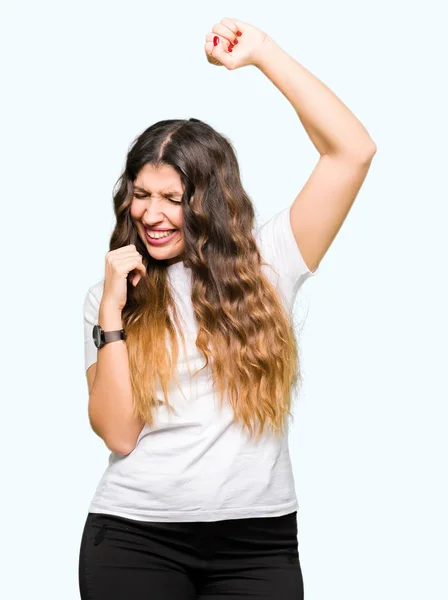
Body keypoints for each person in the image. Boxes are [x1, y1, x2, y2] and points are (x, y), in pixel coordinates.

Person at [78, 16, 376, 600]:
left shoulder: (269, 262)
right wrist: (112, 313)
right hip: (136, 538)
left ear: (210, 202)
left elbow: (352, 152)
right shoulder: (113, 292)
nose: (152, 214)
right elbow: (118, 434)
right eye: (141, 195)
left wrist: (264, 53)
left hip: (257, 545)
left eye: (173, 198)